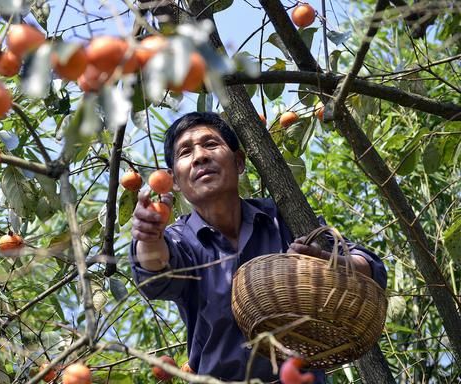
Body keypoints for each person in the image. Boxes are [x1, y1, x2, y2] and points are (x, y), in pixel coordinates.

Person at [128, 112, 387, 382]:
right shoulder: (181, 241)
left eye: (211, 144)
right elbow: (155, 271)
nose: (200, 156)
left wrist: (331, 262)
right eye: (185, 152)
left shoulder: (283, 217)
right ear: (176, 182)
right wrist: (148, 235)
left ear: (239, 162)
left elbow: (372, 267)